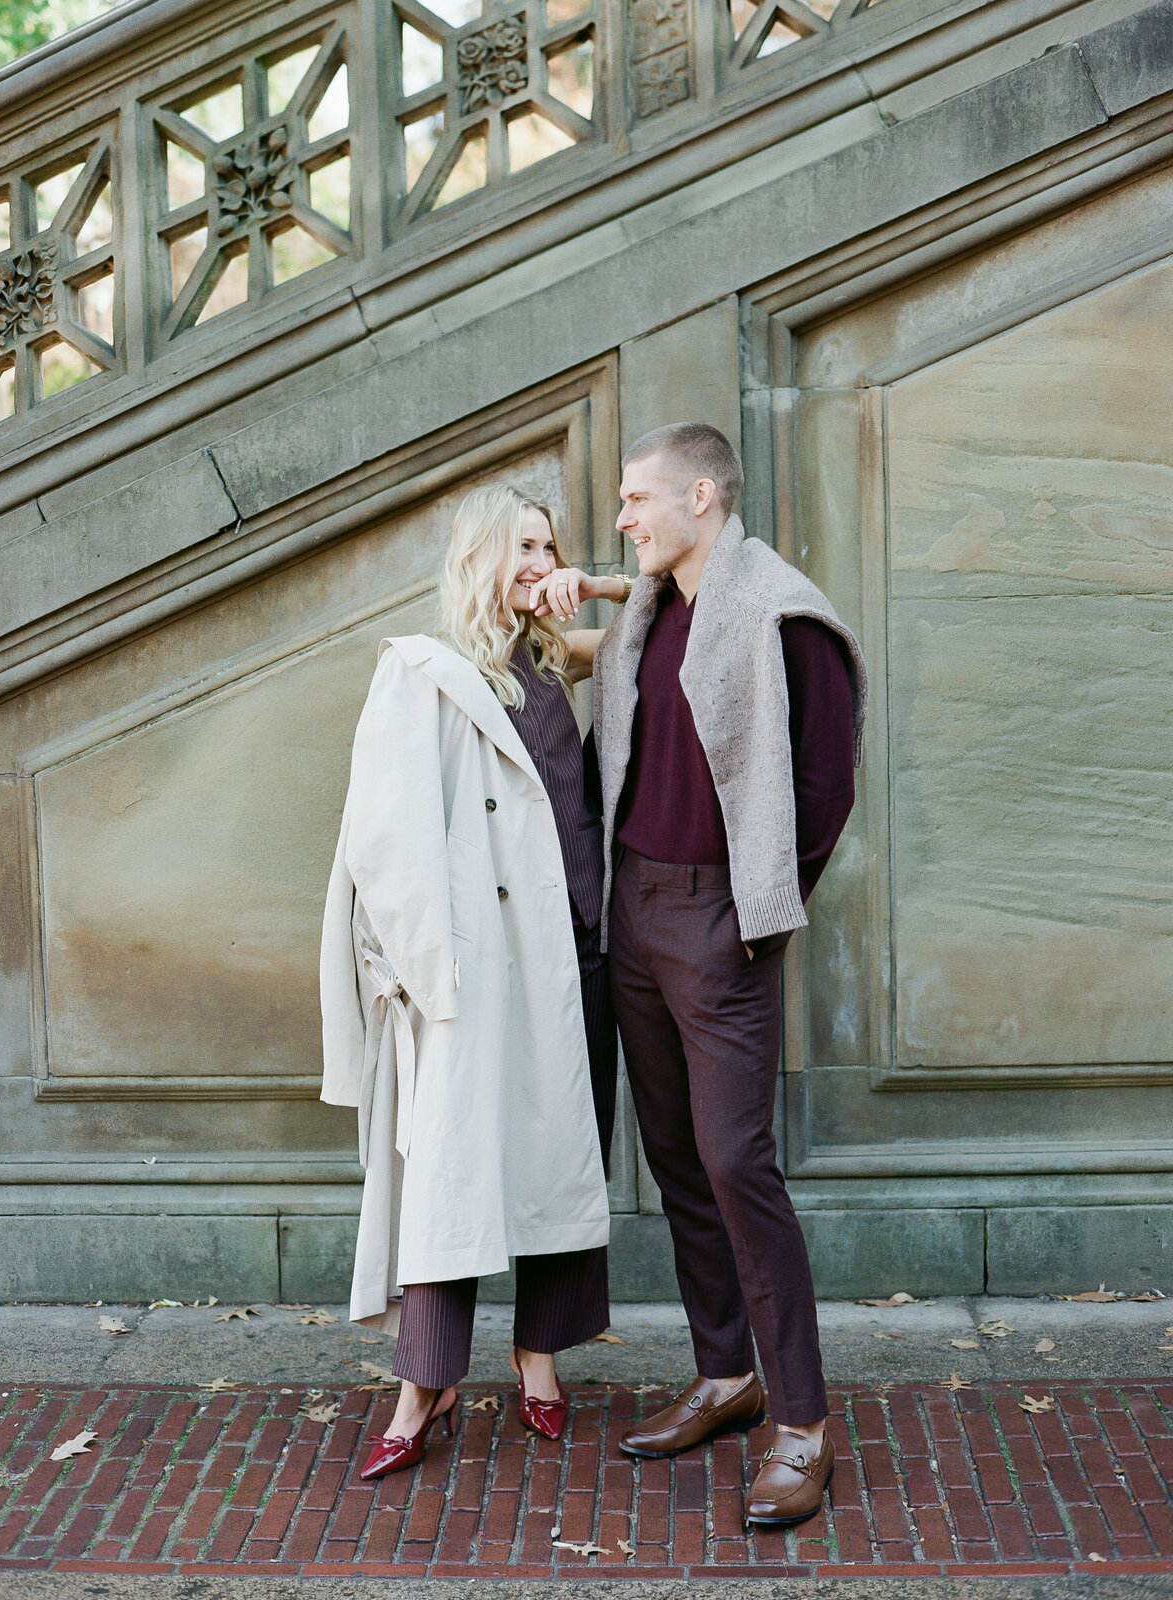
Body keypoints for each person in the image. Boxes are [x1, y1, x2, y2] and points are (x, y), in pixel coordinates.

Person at [529, 423, 867, 1528]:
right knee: (674, 1155)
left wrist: (752, 907)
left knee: (736, 1163)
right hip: (637, 909)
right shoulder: (655, 605)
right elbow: (617, 611)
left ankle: (803, 1424)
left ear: (705, 496)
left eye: (638, 499)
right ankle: (727, 1377)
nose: (623, 516)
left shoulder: (780, 610)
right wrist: (569, 583)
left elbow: (824, 781)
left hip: (718, 922)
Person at [318, 484, 630, 1479]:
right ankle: (427, 1380)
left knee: (558, 1149)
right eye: (524, 546)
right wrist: (425, 967)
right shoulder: (429, 670)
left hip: (579, 944)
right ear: (480, 555)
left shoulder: (556, 659)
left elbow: (673, 621)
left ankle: (538, 1356)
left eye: (551, 544)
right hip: (476, 970)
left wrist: (596, 582)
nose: (543, 560)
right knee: (453, 1175)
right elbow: (383, 835)